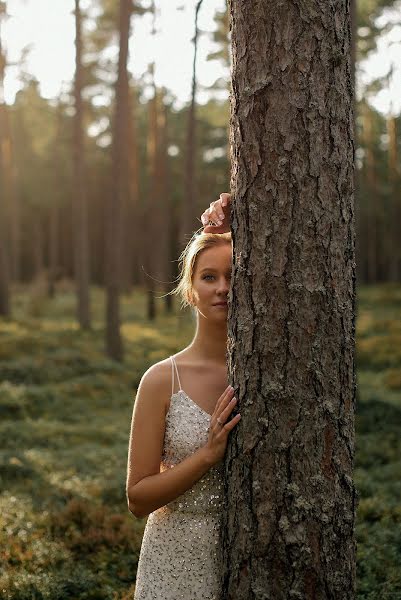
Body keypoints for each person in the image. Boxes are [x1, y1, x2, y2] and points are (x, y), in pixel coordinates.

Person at [126, 193, 240, 599]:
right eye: (209, 276)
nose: (223, 288)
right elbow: (138, 498)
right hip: (173, 561)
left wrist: (231, 203)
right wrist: (207, 456)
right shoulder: (162, 379)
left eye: (234, 275)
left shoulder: (266, 374)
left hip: (249, 561)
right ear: (190, 288)